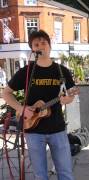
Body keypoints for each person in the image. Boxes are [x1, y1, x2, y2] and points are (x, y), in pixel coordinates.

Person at [2, 30, 75, 180]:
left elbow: (69, 95)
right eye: (36, 44)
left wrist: (68, 99)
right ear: (32, 50)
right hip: (33, 130)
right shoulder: (26, 72)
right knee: (40, 175)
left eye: (43, 43)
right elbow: (6, 93)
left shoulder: (62, 71)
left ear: (50, 46)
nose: (41, 46)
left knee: (65, 173)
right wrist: (21, 109)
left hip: (57, 128)